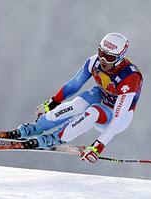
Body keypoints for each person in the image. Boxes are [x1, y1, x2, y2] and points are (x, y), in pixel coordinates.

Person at [7, 33, 143, 163]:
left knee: (93, 112)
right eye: (101, 54)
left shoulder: (130, 77)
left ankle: (54, 139)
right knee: (78, 104)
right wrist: (52, 103)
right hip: (103, 95)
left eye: (109, 58)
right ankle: (36, 127)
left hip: (117, 116)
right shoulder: (93, 62)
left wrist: (97, 147)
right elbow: (73, 85)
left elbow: (117, 120)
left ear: (120, 57)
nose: (103, 60)